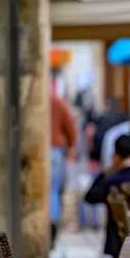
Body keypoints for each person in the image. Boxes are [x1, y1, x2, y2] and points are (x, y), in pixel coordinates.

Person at [84, 134, 130, 258]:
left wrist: (105, 171)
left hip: (119, 243)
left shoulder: (111, 180)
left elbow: (90, 196)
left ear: (115, 155)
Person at [50, 93, 78, 248]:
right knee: (53, 190)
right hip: (54, 150)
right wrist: (71, 146)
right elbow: (71, 129)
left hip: (39, 149)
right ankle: (52, 223)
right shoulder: (57, 101)